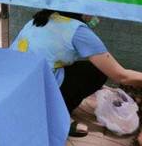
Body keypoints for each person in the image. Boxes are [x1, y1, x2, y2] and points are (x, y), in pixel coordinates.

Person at [12, 9, 142, 138]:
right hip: (35, 89)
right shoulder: (78, 31)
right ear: (82, 9)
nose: (96, 15)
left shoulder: (42, 17)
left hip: (14, 82)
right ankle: (58, 117)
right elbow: (121, 76)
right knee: (97, 72)